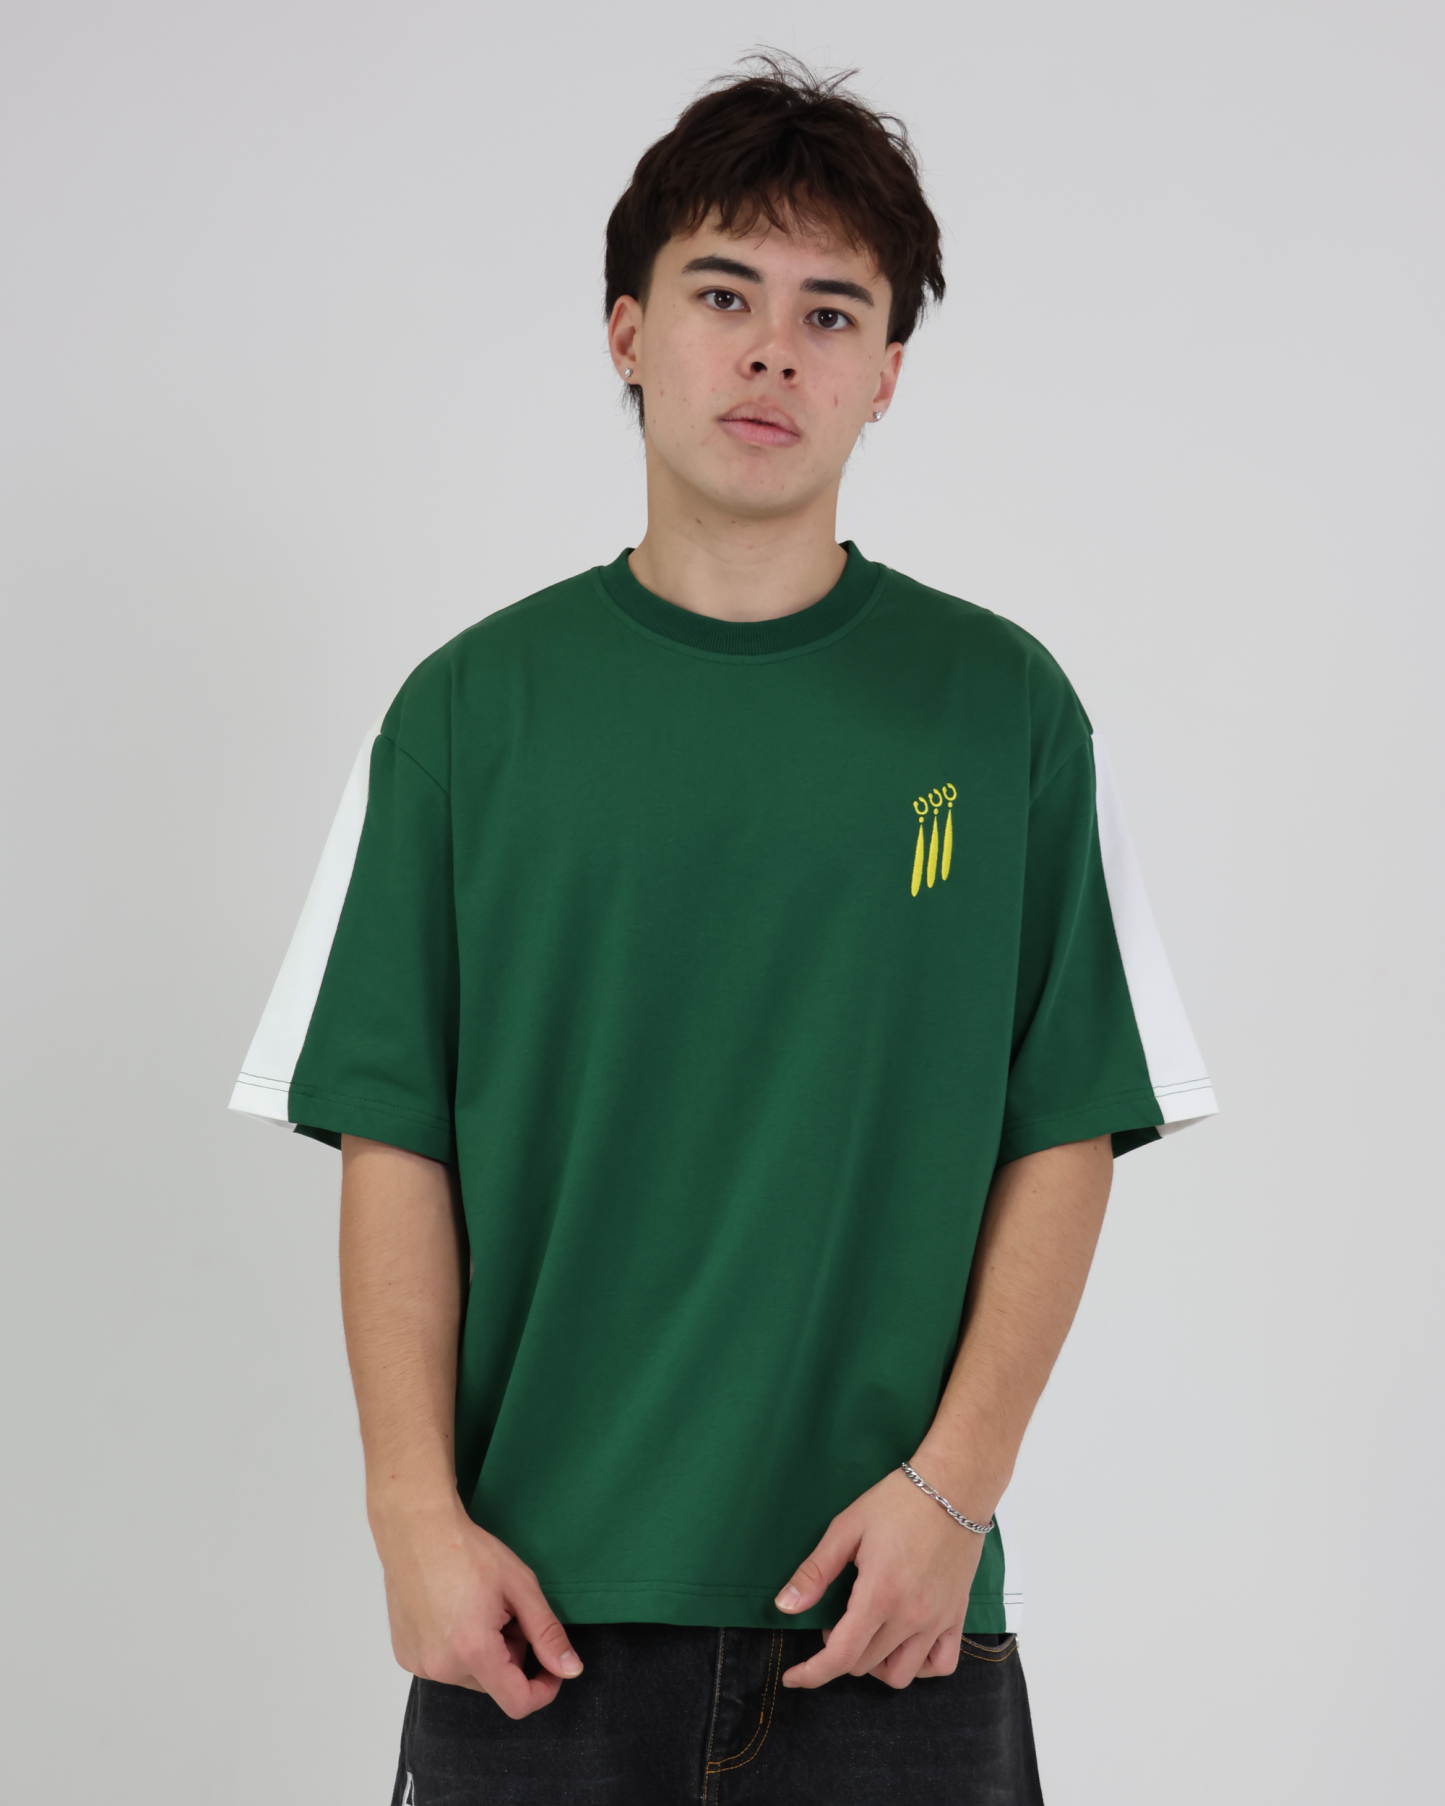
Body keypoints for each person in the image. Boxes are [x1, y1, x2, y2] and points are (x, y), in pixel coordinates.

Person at [230, 54, 1216, 1805]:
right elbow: (393, 1135)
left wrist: (956, 1493)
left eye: (833, 313)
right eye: (724, 295)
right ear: (627, 331)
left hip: (893, 1626)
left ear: (888, 373)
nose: (775, 352)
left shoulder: (1000, 714)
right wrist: (410, 1517)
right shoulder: (466, 718)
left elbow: (1067, 1124)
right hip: (534, 1627)